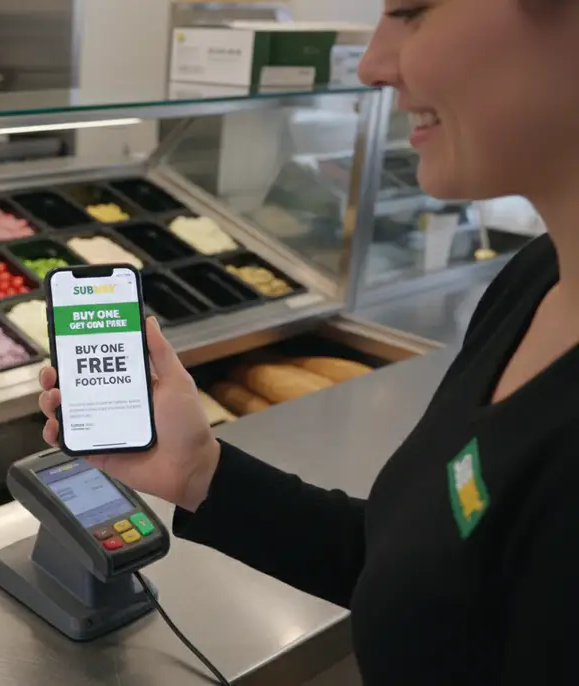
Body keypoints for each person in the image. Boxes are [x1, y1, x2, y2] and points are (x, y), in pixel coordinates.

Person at [38, 1, 579, 683]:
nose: (375, 64)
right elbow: (419, 573)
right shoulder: (534, 279)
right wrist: (200, 471)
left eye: (410, 10)